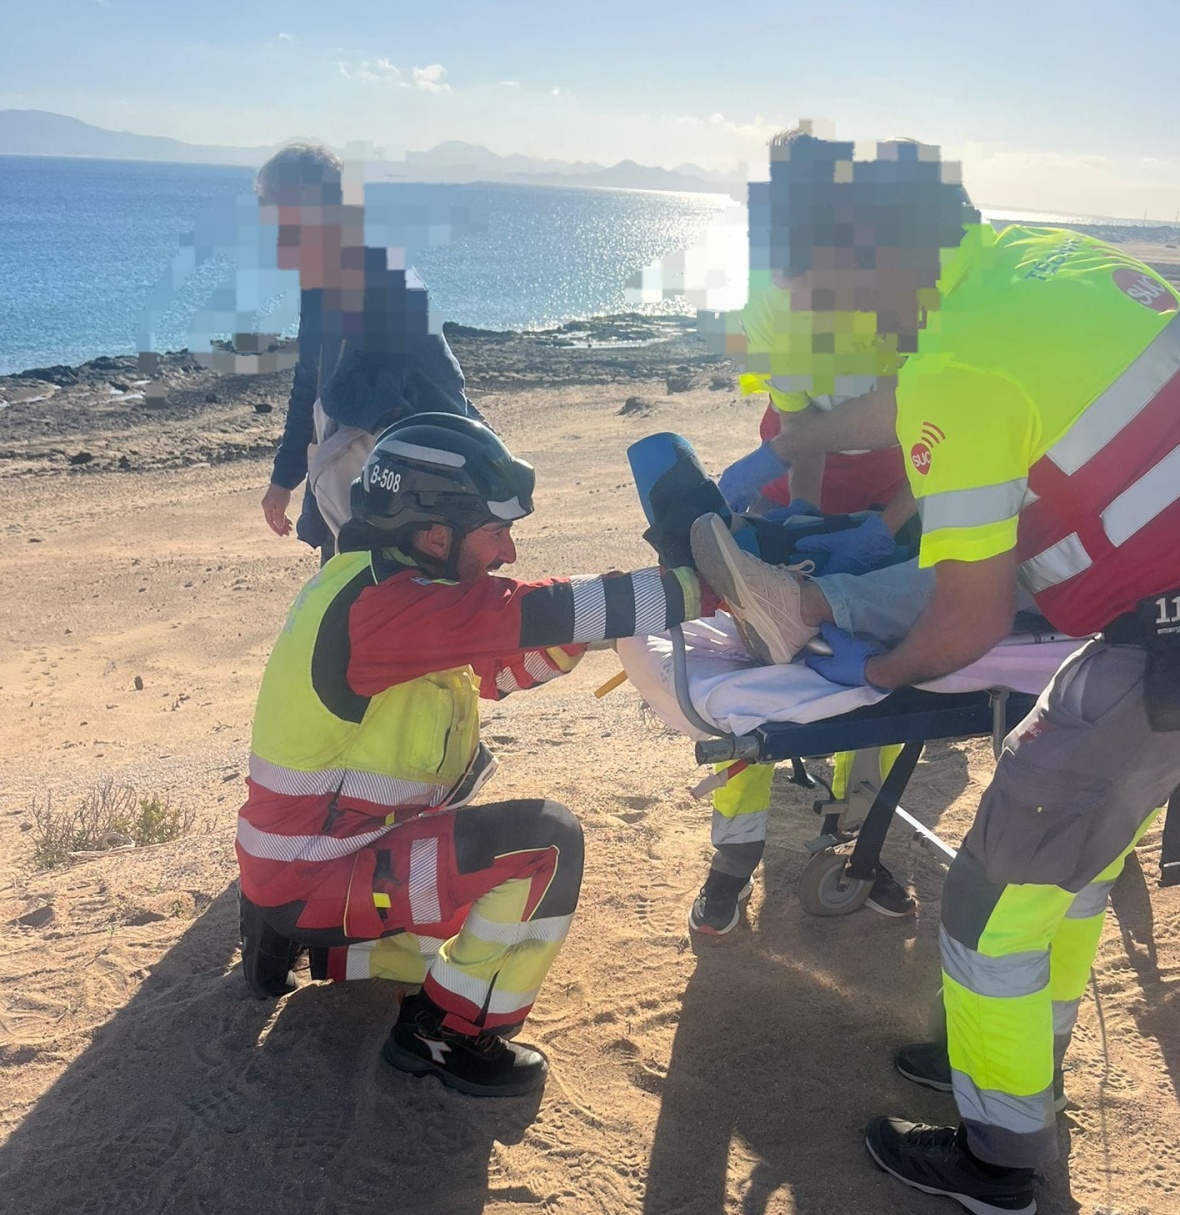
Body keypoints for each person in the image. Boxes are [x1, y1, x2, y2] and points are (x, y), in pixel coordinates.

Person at [691, 181, 1180, 1211]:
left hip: (1157, 645)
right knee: (1069, 871)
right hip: (1150, 621)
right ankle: (1016, 1079)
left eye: (840, 297)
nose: (851, 327)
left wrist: (866, 671)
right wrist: (797, 447)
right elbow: (937, 391)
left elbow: (965, 625)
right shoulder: (1032, 255)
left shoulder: (957, 360)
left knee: (987, 903)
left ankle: (998, 1159)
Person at [236, 413, 716, 1098]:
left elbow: (492, 668)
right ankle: (444, 1034)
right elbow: (523, 612)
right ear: (435, 534)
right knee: (546, 847)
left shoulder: (380, 591)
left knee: (472, 923)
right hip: (322, 873)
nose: (510, 550)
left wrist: (584, 637)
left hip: (300, 863)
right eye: (498, 531)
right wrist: (700, 588)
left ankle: (307, 944)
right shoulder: (385, 607)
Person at [684, 130, 962, 935]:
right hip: (800, 470)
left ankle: (859, 839)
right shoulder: (771, 298)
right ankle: (734, 856)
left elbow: (938, 426)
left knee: (873, 668)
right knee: (754, 649)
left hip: (909, 470)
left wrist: (884, 528)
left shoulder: (906, 290)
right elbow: (801, 422)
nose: (798, 288)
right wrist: (801, 522)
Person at [255, 143, 478, 559]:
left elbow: (442, 393)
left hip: (410, 503)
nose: (278, 238)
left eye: (281, 222)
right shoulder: (319, 282)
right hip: (349, 498)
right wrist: (283, 480)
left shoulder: (389, 280)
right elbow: (309, 385)